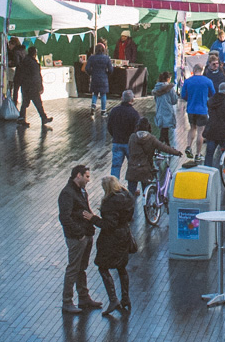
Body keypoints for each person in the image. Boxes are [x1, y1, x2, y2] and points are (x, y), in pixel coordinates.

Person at [58, 165, 102, 314]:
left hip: (85, 235)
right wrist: (80, 234)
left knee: (81, 267)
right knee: (73, 268)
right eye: (87, 177)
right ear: (78, 175)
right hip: (77, 238)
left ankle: (83, 297)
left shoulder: (80, 191)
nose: (89, 180)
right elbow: (64, 218)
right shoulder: (67, 194)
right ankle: (67, 301)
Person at [94, 175, 135, 316]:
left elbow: (109, 225)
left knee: (102, 266)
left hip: (111, 239)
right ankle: (126, 298)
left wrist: (94, 219)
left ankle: (113, 299)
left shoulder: (109, 203)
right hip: (125, 235)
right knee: (121, 267)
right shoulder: (127, 196)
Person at [125, 118, 183, 195]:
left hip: (132, 169)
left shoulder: (132, 137)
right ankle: (146, 203)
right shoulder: (151, 139)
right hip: (145, 169)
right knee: (146, 192)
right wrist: (177, 152)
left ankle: (129, 205)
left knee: (130, 193)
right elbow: (164, 147)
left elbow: (130, 149)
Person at [180, 63, 215, 164]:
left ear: (194, 70)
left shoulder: (187, 81)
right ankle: (198, 154)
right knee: (200, 132)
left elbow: (183, 95)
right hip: (202, 109)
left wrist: (189, 99)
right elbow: (213, 94)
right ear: (202, 69)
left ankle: (189, 146)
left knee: (192, 128)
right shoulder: (208, 81)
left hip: (191, 109)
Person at [107, 90, 141, 179]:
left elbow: (109, 126)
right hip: (130, 144)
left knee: (115, 166)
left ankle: (114, 187)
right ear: (132, 100)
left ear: (122, 98)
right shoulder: (134, 113)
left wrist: (114, 135)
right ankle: (132, 188)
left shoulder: (114, 111)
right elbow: (137, 130)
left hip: (117, 142)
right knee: (132, 166)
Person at [14, 46, 51, 128]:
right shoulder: (33, 63)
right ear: (34, 53)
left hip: (25, 85)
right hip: (33, 86)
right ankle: (43, 118)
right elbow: (36, 76)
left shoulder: (24, 61)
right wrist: (40, 86)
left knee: (25, 102)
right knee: (38, 103)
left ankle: (21, 118)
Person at [84, 42, 113, 115]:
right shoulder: (107, 58)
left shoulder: (91, 58)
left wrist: (91, 73)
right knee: (103, 94)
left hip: (94, 77)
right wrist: (107, 74)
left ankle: (93, 105)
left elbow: (87, 68)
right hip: (103, 78)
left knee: (95, 93)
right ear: (104, 50)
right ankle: (103, 111)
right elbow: (111, 70)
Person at [151, 71, 178, 144]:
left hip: (159, 110)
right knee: (165, 131)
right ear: (168, 79)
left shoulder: (156, 88)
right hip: (167, 111)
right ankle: (160, 147)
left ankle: (167, 146)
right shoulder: (170, 89)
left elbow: (156, 100)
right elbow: (174, 100)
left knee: (164, 130)